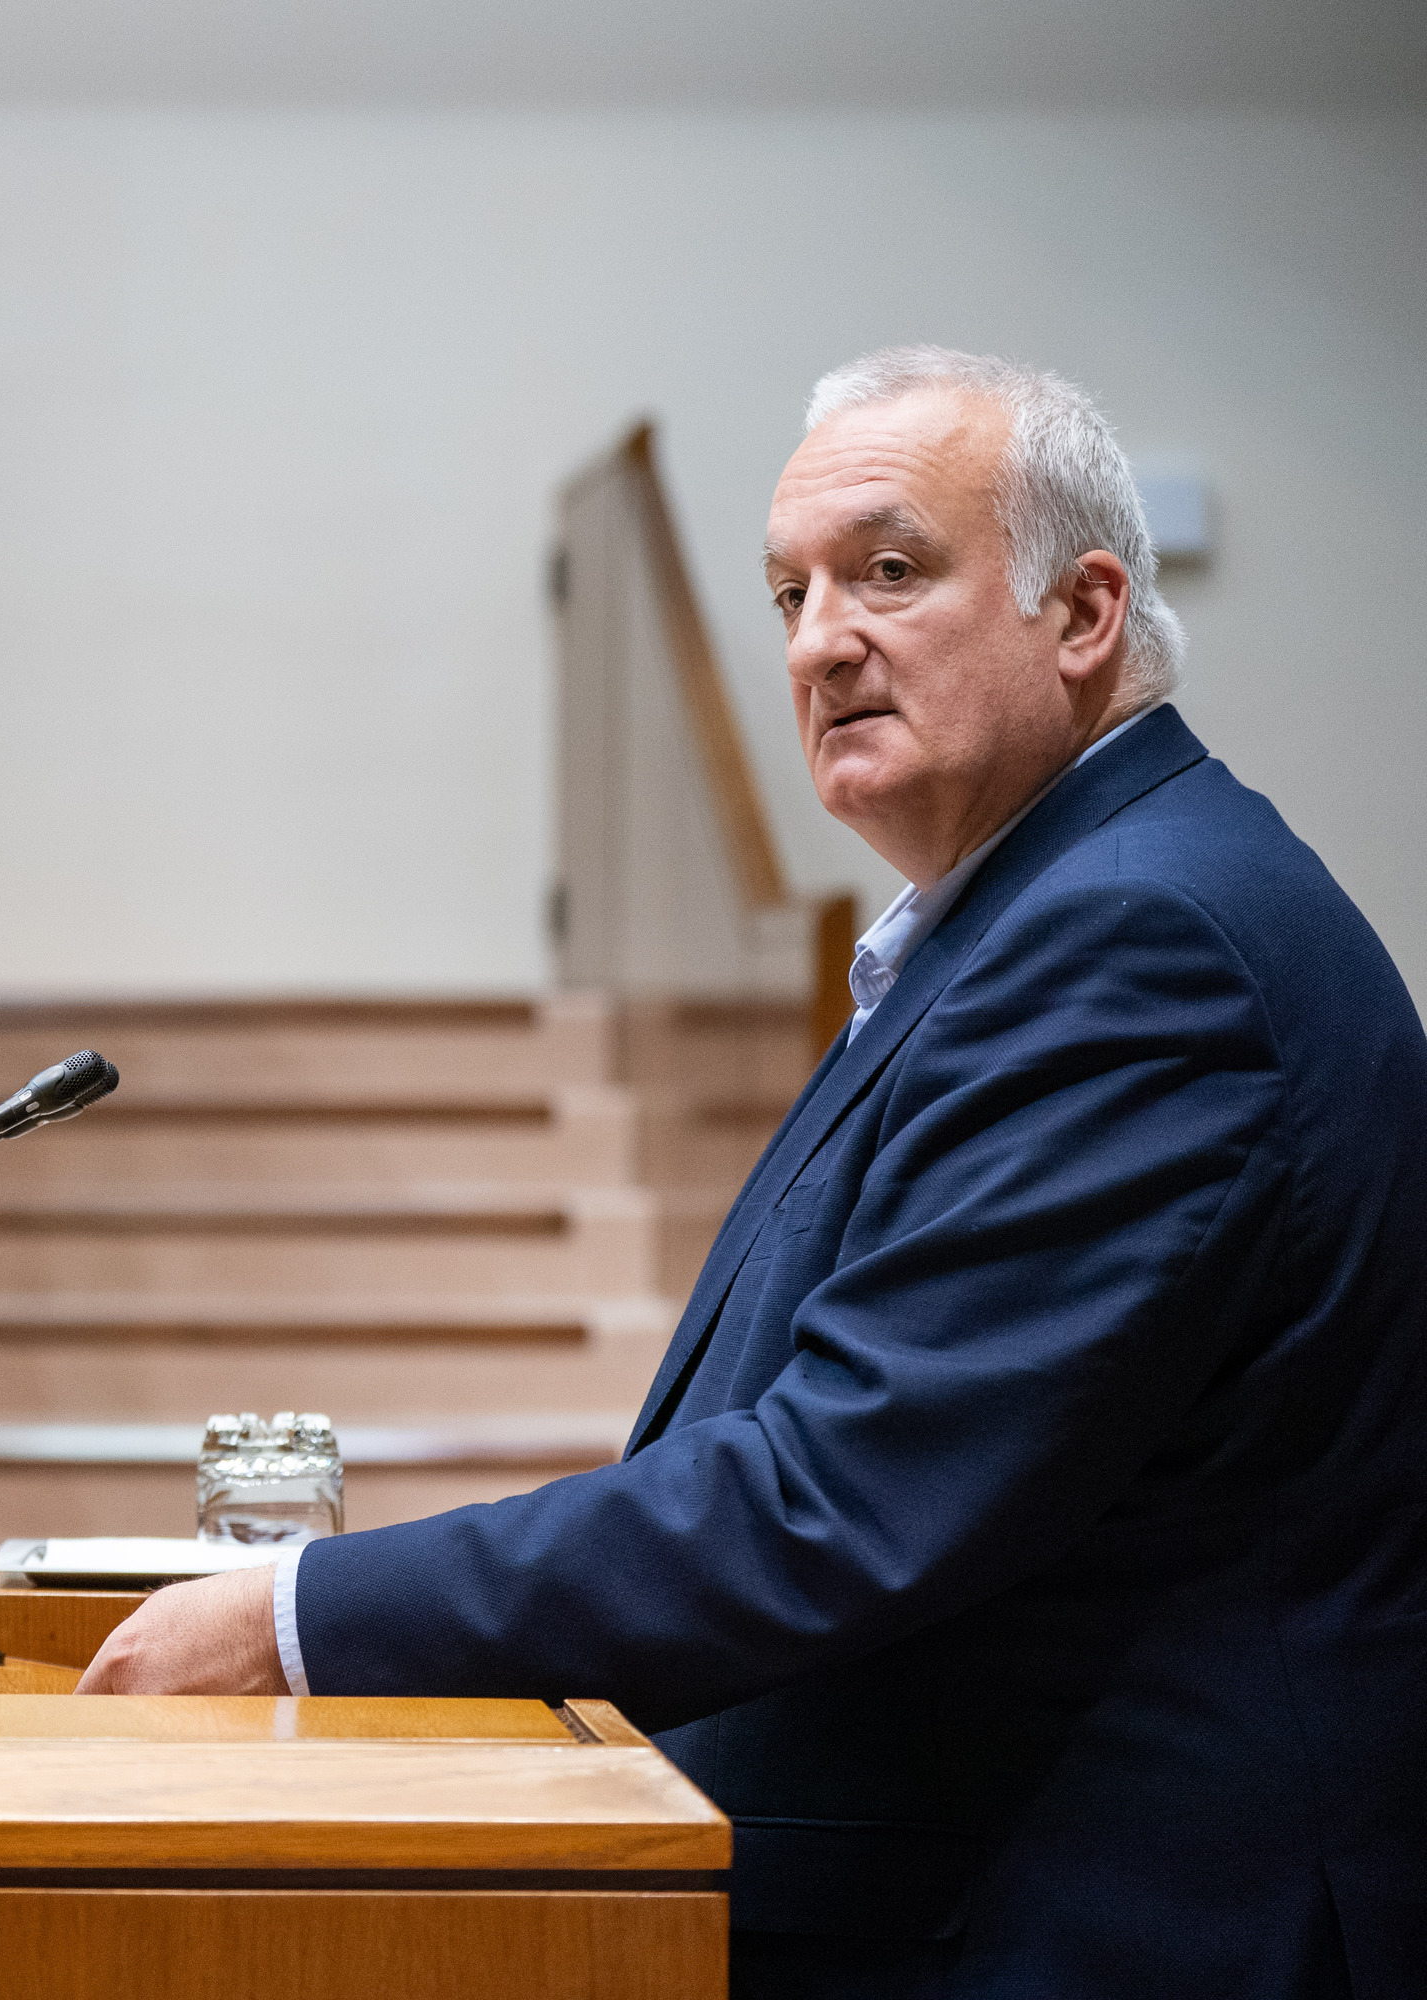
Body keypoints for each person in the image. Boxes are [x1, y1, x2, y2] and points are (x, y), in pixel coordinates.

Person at [80, 348, 1426, 1996]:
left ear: (1083, 616)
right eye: (789, 593)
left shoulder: (1141, 939)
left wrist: (302, 1613)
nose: (820, 643)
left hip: (1107, 1924)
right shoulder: (1043, 919)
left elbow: (847, 1492)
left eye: (889, 572)